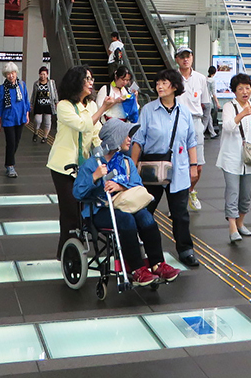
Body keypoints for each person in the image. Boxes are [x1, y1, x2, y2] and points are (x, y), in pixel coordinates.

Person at [72, 118, 180, 286]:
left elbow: (137, 184)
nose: (130, 139)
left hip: (125, 204)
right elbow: (78, 193)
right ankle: (137, 270)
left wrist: (120, 186)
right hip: (100, 210)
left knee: (146, 217)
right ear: (115, 138)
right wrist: (94, 177)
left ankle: (158, 264)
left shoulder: (126, 162)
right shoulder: (92, 164)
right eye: (126, 136)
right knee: (127, 220)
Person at [47, 65, 118, 259]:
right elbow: (83, 125)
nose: (91, 82)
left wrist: (106, 153)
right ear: (76, 82)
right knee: (70, 210)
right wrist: (104, 108)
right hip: (63, 166)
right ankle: (68, 254)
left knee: (82, 209)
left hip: (84, 166)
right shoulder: (64, 106)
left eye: (91, 78)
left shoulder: (91, 105)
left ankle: (72, 249)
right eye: (87, 79)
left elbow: (94, 133)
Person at [131, 68, 200, 267]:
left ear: (175, 86)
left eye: (164, 83)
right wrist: (133, 166)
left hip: (179, 170)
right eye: (158, 83)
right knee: (145, 210)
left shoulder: (184, 112)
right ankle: (138, 246)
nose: (159, 86)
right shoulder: (148, 110)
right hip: (152, 170)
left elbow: (191, 141)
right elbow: (138, 140)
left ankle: (185, 250)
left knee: (180, 214)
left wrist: (193, 166)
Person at [218, 73, 251, 243]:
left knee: (246, 194)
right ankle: (232, 227)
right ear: (234, 91)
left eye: (247, 88)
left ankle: (240, 223)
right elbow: (227, 127)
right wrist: (242, 114)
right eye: (240, 88)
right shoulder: (229, 107)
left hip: (250, 158)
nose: (244, 92)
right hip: (231, 157)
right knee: (232, 192)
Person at [175, 46, 210, 212]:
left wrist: (204, 125)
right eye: (182, 57)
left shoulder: (200, 78)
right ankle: (178, 198)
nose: (185, 59)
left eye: (188, 56)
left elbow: (206, 104)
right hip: (177, 120)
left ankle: (190, 190)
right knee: (177, 162)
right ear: (177, 59)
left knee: (198, 165)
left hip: (195, 121)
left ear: (192, 57)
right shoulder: (173, 78)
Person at [0, 62, 30, 178]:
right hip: (8, 118)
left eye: (13, 73)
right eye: (8, 74)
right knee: (11, 142)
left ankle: (8, 161)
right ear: (5, 75)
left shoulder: (22, 85)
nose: (11, 76)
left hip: (20, 117)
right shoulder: (2, 88)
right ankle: (10, 166)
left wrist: (27, 114)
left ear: (16, 73)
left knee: (16, 141)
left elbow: (26, 100)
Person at [30, 66, 58, 144]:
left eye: (44, 74)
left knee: (47, 122)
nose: (43, 76)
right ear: (39, 74)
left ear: (47, 74)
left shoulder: (51, 83)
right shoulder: (36, 83)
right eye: (41, 74)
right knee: (37, 120)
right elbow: (34, 95)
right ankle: (36, 133)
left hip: (48, 105)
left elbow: (55, 92)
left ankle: (45, 137)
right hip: (38, 105)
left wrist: (56, 101)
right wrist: (31, 104)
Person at [206, 65, 221, 138]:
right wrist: (217, 103)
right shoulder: (212, 81)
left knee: (208, 117)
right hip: (208, 101)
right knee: (207, 118)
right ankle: (202, 133)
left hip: (202, 101)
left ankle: (212, 133)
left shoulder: (205, 79)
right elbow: (213, 93)